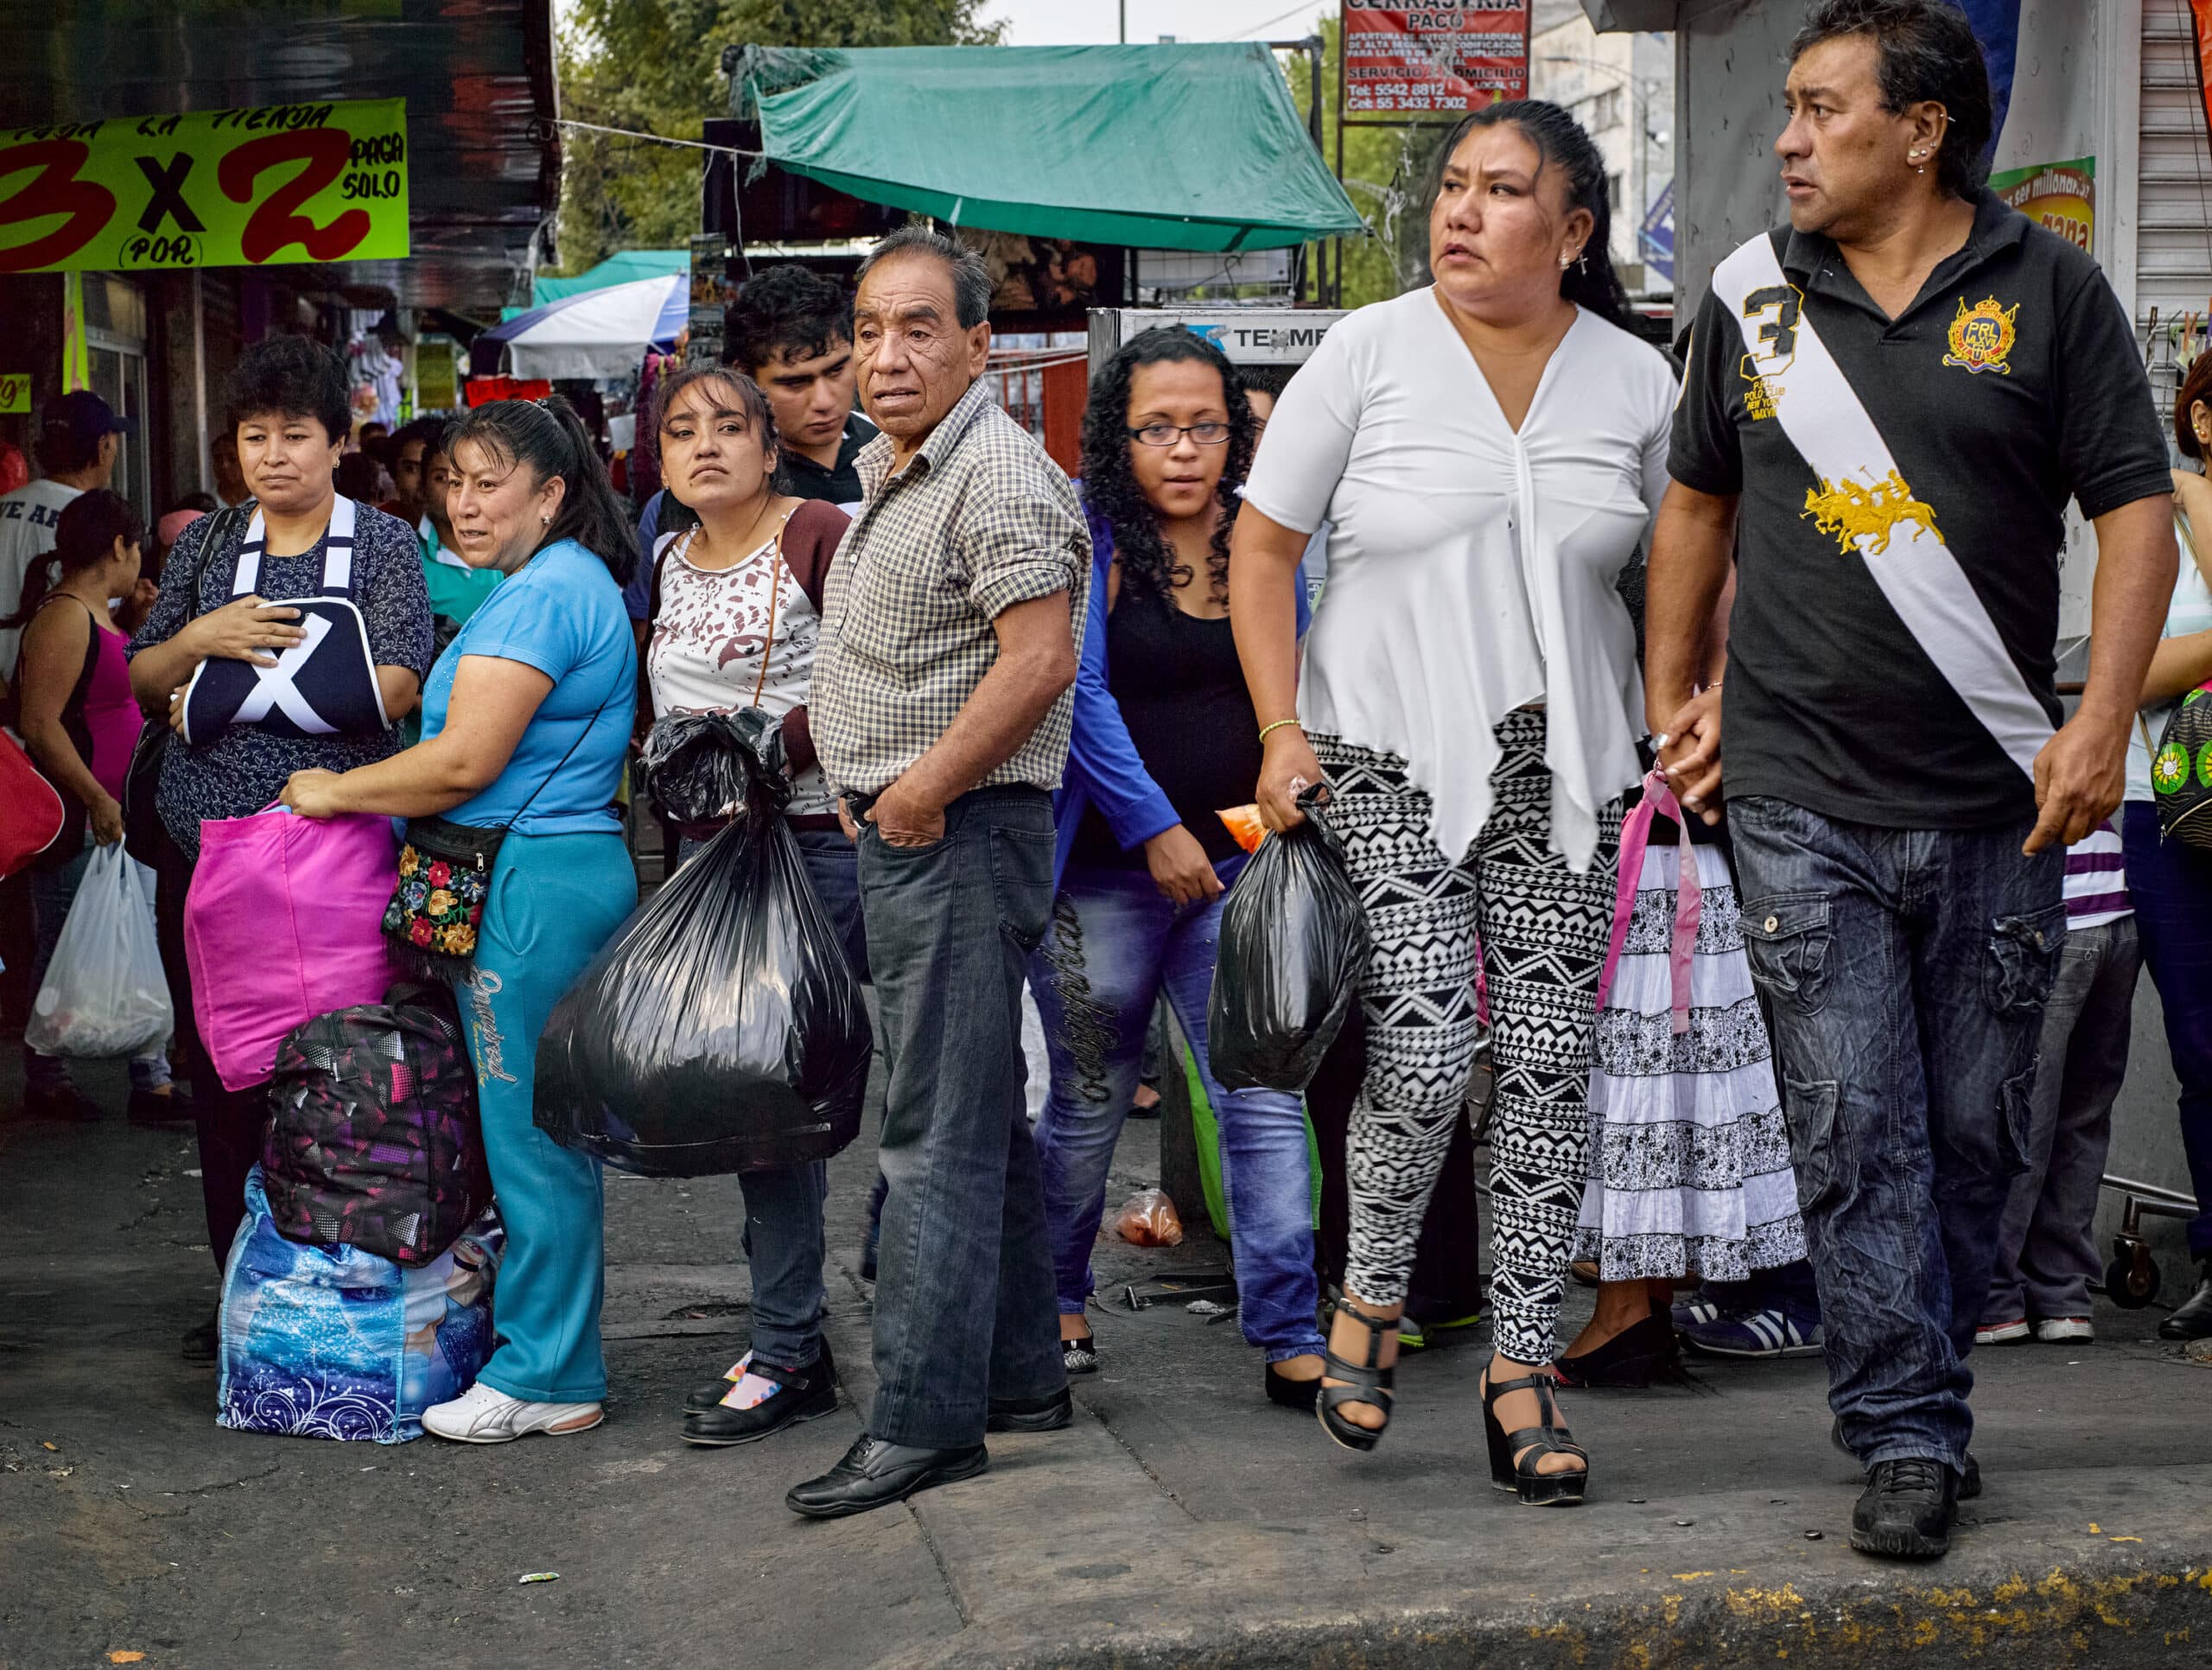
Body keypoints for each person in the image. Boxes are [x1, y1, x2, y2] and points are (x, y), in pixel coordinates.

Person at [1644, 0, 2174, 1559]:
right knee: (1852, 1116)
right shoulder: (1752, 300)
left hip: (2000, 796)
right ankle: (1906, 1430)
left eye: (1822, 109)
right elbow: (1694, 506)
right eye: (1790, 110)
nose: (1789, 138)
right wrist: (1672, 691)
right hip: (1801, 798)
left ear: (1923, 128)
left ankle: (1920, 1371)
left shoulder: (2052, 289)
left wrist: (2103, 720)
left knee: (1971, 1123)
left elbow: (2136, 517)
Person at [1232, 99, 1671, 1502]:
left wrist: (1680, 705)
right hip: (1378, 750)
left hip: (1568, 762)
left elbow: (1682, 563)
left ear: (1576, 230)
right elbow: (1261, 548)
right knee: (1429, 1040)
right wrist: (1278, 726)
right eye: (1454, 186)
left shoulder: (1634, 381)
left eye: (1502, 189)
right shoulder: (1366, 352)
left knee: (1547, 1065)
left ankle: (1521, 1369)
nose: (1462, 211)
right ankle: (1367, 1296)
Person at [788, 227, 1086, 1520]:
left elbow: (1040, 661)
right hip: (920, 828)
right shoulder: (900, 469)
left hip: (955, 835)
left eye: (919, 329)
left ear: (979, 343)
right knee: (975, 1121)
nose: (887, 354)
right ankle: (1020, 1375)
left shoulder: (998, 478)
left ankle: (921, 1421)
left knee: (934, 1138)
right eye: (870, 329)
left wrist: (916, 791)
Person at [280, 395, 639, 1445]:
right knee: (521, 1129)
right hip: (529, 873)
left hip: (527, 882)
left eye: (491, 483)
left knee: (533, 1139)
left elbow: (463, 762)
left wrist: (332, 791)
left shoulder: (542, 597)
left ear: (553, 494)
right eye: (454, 481)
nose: (464, 503)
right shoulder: (537, 584)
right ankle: (535, 1348)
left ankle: (550, 1371)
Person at [1032, 327, 1328, 1403]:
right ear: (1119, 435)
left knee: (1258, 1092)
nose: (1185, 448)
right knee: (1087, 1103)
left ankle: (1290, 1327)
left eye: (1207, 424)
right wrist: (1157, 826)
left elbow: (1287, 692)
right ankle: (1057, 1299)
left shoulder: (1265, 540)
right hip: (1105, 877)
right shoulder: (1090, 539)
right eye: (1157, 427)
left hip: (1241, 874)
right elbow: (1078, 694)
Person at [128, 334, 433, 1362]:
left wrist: (242, 698)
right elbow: (143, 680)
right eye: (254, 437)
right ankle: (243, 1299)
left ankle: (345, 1291)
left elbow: (393, 686)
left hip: (333, 854)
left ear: (339, 440)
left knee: (345, 1069)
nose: (273, 455)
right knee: (223, 1077)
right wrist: (202, 643)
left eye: (295, 435)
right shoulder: (208, 547)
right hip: (205, 853)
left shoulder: (386, 544)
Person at [641, 363, 860, 1445]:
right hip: (712, 864)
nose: (706, 446)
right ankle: (790, 1336)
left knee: (801, 1098)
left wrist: (776, 744)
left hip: (822, 851)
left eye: (730, 427)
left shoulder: (816, 531)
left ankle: (798, 1345)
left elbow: (874, 670)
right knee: (754, 1105)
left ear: (770, 449)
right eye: (682, 432)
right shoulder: (668, 555)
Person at [9, 490, 178, 1124]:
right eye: (138, 549)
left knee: (140, 935)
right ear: (118, 547)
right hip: (83, 819)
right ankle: (47, 1075)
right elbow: (42, 723)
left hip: (118, 817)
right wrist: (98, 797)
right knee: (61, 944)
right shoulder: (63, 617)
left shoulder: (99, 616)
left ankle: (151, 1077)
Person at [625, 265, 877, 627]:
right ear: (744, 378)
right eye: (795, 383)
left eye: (836, 371)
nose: (824, 400)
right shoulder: (687, 502)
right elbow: (647, 637)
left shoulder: (897, 458)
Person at [1975, 816, 2138, 1347]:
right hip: (2119, 903)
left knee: (2023, 1113)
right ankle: (2063, 1295)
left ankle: (1996, 1297)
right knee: (2081, 1116)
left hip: (2048, 908)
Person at [2125, 352, 2212, 1342]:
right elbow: (2131, 667)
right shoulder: (2152, 523)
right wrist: (2182, 493)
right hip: (2171, 810)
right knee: (2201, 1041)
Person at [0, 391, 127, 694]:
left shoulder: (4, 505)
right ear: (102, 448)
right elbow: (102, 622)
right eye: (113, 444)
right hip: (59, 708)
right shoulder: (97, 521)